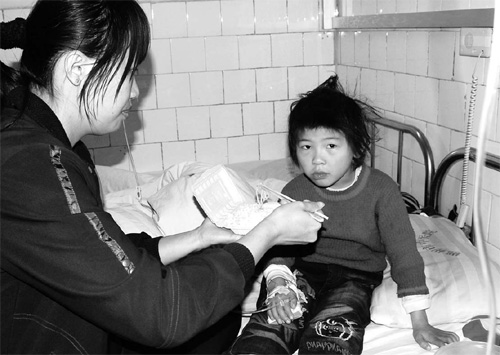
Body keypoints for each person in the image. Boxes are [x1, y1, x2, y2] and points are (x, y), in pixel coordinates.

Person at [0, 1, 326, 354]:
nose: (136, 92)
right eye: (128, 74)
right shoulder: (32, 167)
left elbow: (101, 254)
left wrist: (198, 237)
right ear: (78, 69)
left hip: (76, 322)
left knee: (219, 314)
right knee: (195, 308)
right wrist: (271, 231)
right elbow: (161, 316)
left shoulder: (53, 145)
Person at [226, 75, 460, 355]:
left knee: (333, 335)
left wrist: (420, 322)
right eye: (306, 147)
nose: (317, 159)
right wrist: (278, 282)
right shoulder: (296, 189)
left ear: (357, 148)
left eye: (331, 146)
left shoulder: (381, 190)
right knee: (270, 327)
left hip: (356, 277)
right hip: (302, 270)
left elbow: (404, 255)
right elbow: (279, 245)